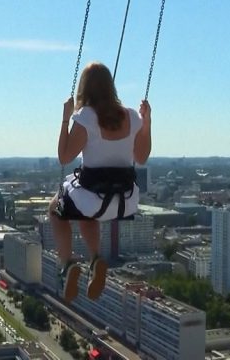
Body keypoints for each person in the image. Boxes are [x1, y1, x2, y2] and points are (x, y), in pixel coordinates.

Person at [50, 62, 151, 303]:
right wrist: (147, 123)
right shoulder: (131, 116)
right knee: (87, 213)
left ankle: (67, 263)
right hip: (125, 201)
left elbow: (64, 157)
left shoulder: (86, 117)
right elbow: (141, 157)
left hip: (93, 198)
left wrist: (65, 119)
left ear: (85, 89)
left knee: (55, 209)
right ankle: (96, 259)